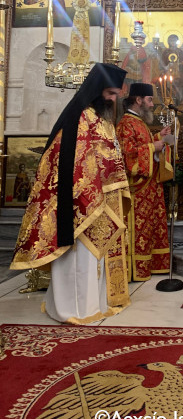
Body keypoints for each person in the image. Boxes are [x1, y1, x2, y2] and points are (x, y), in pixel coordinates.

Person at [10, 63, 131, 324]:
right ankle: (75, 310)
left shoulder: (101, 118)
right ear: (98, 89)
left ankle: (94, 304)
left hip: (104, 199)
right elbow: (72, 160)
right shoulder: (81, 117)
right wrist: (90, 195)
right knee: (79, 258)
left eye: (116, 95)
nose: (113, 100)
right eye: (110, 93)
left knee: (96, 257)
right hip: (83, 201)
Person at [116, 82, 171, 281]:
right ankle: (135, 269)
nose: (152, 104)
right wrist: (154, 146)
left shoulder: (138, 121)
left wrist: (158, 137)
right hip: (137, 190)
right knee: (139, 230)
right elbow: (127, 156)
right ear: (138, 100)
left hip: (148, 188)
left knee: (149, 229)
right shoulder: (126, 124)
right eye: (149, 100)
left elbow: (141, 144)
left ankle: (150, 265)